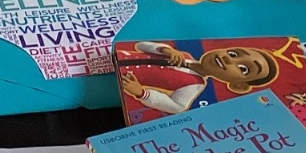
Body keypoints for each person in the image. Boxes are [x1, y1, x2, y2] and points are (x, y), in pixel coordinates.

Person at [117, 41, 283, 117]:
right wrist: (165, 50)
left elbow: (177, 106)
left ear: (238, 85)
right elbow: (141, 45)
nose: (228, 59)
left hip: (123, 80)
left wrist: (142, 93)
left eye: (243, 68)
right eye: (233, 53)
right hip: (119, 57)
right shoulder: (184, 55)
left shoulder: (195, 84)